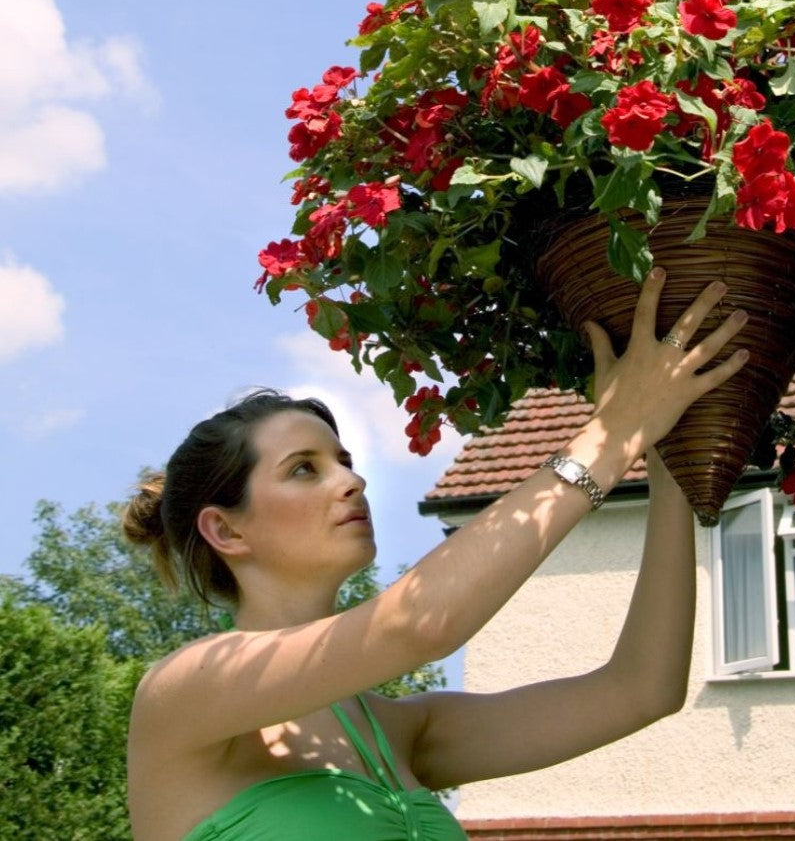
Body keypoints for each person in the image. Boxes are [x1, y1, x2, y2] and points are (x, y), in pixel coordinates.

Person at [123, 271, 749, 841]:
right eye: (303, 470)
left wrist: (664, 447)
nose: (351, 481)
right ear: (226, 531)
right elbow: (419, 622)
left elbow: (642, 690)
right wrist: (614, 432)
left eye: (344, 461)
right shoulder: (184, 697)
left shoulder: (401, 733)